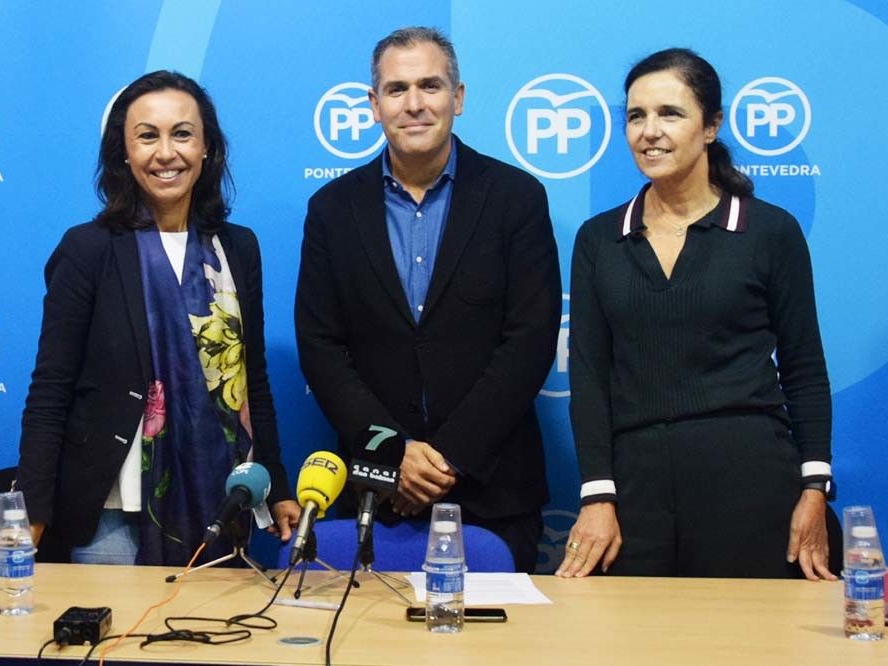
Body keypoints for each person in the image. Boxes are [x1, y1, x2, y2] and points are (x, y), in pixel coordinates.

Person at [557, 48, 836, 581]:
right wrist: (597, 494)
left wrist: (814, 487)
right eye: (636, 116)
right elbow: (589, 376)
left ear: (711, 126)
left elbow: (803, 367)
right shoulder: (599, 239)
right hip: (634, 490)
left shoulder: (769, 232)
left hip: (750, 480)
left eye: (670, 113)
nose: (649, 131)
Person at [295, 27, 562, 573]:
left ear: (458, 98)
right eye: (396, 89)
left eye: (430, 86)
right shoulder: (331, 209)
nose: (414, 104)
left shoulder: (517, 198)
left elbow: (530, 341)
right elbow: (321, 346)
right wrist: (395, 454)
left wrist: (445, 459)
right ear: (374, 105)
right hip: (372, 491)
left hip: (494, 492)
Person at [16, 70, 300, 566]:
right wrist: (32, 511)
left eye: (182, 134)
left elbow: (252, 383)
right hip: (112, 519)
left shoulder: (238, 247)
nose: (166, 153)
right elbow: (50, 390)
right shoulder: (89, 249)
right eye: (147, 136)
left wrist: (274, 482)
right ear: (123, 153)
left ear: (207, 147)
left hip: (223, 504)